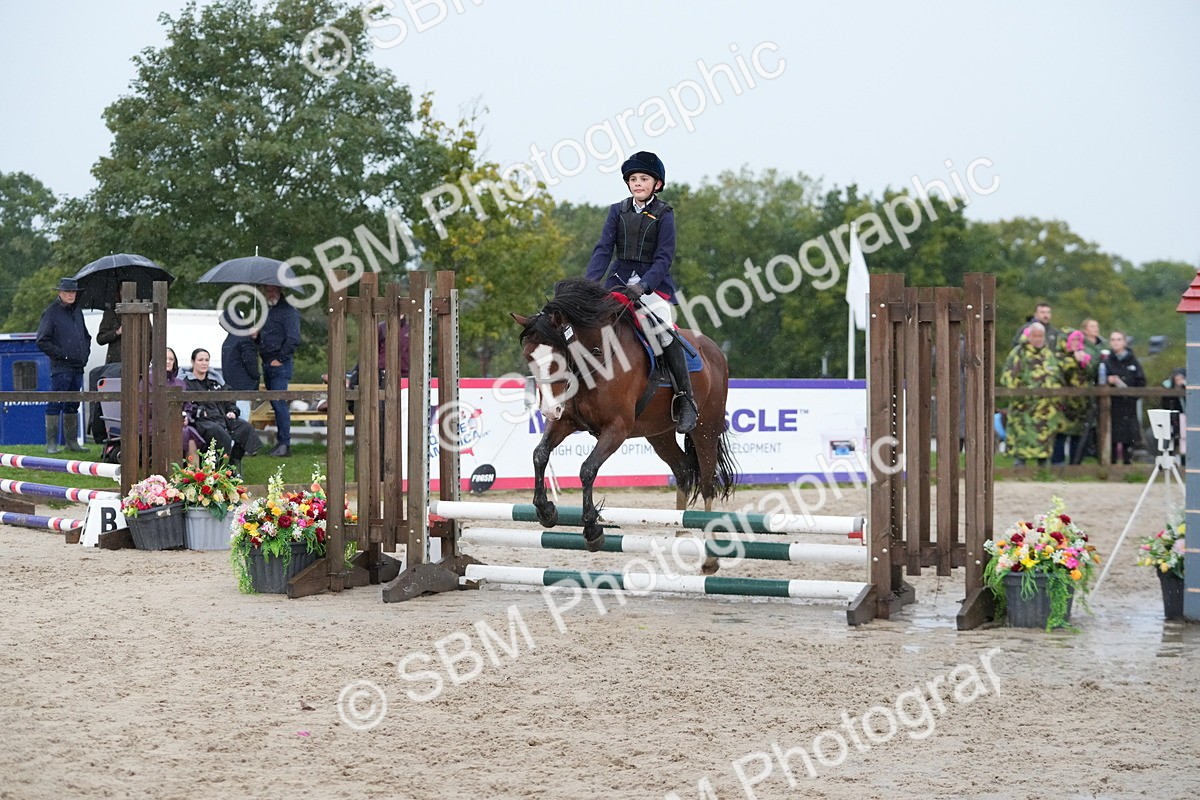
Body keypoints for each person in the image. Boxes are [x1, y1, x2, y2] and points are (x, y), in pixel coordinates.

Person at [584, 150, 696, 433]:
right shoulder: (617, 210)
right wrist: (588, 284)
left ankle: (686, 400)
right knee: (590, 324)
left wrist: (644, 285)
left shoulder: (664, 214)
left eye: (644, 179)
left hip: (652, 287)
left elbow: (664, 258)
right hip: (617, 282)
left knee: (664, 330)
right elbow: (603, 250)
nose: (638, 183)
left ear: (657, 184)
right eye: (633, 179)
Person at [36, 278, 91, 454]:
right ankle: (51, 445)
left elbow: (86, 336)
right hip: (61, 367)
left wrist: (85, 354)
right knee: (56, 402)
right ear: (60, 292)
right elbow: (42, 340)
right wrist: (62, 355)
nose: (71, 294)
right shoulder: (51, 312)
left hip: (77, 366)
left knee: (73, 404)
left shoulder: (77, 311)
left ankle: (71, 443)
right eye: (68, 291)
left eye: (73, 291)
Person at [184, 348, 262, 467]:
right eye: (200, 360)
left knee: (245, 428)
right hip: (200, 422)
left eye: (207, 360)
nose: (204, 363)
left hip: (221, 418)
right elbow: (186, 406)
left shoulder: (215, 382)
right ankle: (213, 468)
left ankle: (233, 466)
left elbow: (228, 399)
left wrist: (232, 411)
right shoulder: (186, 383)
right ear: (193, 362)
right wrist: (199, 412)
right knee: (216, 431)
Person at [999, 322, 1062, 467]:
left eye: (1041, 336)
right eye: (1035, 336)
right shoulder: (1018, 353)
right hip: (1024, 409)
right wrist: (1021, 394)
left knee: (1044, 446)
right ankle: (1019, 471)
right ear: (1029, 336)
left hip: (1045, 410)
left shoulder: (1048, 354)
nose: (1038, 339)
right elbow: (1007, 377)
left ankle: (1043, 473)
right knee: (1022, 442)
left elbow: (1057, 377)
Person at [259, 284, 301, 456]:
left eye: (272, 290)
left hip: (279, 365)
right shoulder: (269, 312)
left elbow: (293, 339)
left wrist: (280, 359)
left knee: (279, 403)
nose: (269, 293)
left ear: (280, 290)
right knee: (276, 404)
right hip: (268, 364)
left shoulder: (289, 312)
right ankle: (281, 443)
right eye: (267, 290)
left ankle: (284, 444)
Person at [1105, 330, 1146, 465]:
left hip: (1129, 406)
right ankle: (1111, 466)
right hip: (1112, 406)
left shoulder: (1133, 361)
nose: (1115, 342)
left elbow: (1141, 381)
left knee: (1129, 437)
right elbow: (1097, 379)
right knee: (1112, 436)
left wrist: (1132, 395)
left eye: (1118, 339)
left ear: (1124, 342)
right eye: (1113, 339)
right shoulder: (1107, 361)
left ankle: (1128, 465)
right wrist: (1108, 380)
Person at [1052, 329, 1092, 466]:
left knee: (1077, 434)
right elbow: (1060, 373)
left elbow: (1090, 375)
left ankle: (1075, 466)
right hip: (1062, 404)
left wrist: (1084, 363)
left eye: (1077, 340)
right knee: (1061, 434)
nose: (1075, 343)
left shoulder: (1084, 356)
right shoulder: (1058, 357)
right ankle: (1057, 464)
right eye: (1072, 340)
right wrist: (1074, 361)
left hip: (1080, 405)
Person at [161, 347, 206, 464]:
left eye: (171, 359)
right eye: (165, 359)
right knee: (180, 434)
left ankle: (194, 473)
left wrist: (186, 417)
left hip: (180, 424)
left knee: (190, 435)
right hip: (156, 425)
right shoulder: (148, 381)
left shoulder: (180, 383)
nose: (168, 362)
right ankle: (170, 472)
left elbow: (187, 406)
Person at [219, 309, 260, 421]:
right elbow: (250, 362)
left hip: (230, 387)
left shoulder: (229, 340)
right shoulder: (243, 338)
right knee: (242, 421)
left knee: (234, 421)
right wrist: (256, 376)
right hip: (244, 388)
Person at [1161, 367, 1186, 462]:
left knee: (1184, 441)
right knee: (1172, 440)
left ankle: (1184, 461)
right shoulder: (1168, 386)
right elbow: (1165, 403)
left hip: (1184, 417)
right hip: (1172, 417)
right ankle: (1169, 460)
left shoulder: (1187, 386)